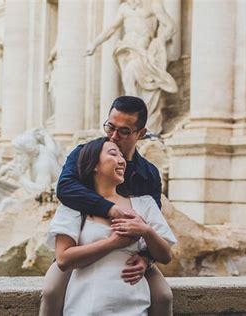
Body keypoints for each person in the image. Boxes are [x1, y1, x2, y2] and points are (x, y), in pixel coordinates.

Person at [40, 96, 174, 316]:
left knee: (163, 296)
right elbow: (65, 188)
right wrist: (110, 209)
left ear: (140, 133)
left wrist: (147, 259)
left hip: (132, 253)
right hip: (83, 247)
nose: (113, 135)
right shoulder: (87, 153)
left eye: (123, 131)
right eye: (110, 127)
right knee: (51, 290)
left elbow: (152, 221)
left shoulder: (148, 173)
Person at [86, 0, 178, 135]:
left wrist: (158, 43)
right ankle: (133, 123)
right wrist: (94, 43)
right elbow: (111, 28)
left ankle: (140, 123)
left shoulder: (153, 5)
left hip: (143, 51)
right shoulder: (124, 8)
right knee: (129, 83)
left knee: (142, 84)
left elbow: (171, 26)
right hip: (126, 51)